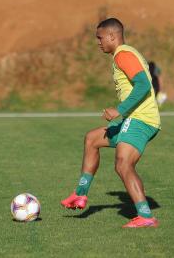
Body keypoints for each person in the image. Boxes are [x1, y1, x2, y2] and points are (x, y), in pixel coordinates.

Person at [61, 18, 161, 228]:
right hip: (134, 119)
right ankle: (80, 194)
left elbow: (143, 84)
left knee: (123, 164)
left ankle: (145, 216)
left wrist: (119, 109)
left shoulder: (123, 54)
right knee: (92, 139)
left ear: (112, 36)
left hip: (141, 119)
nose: (98, 42)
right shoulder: (124, 54)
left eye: (100, 37)